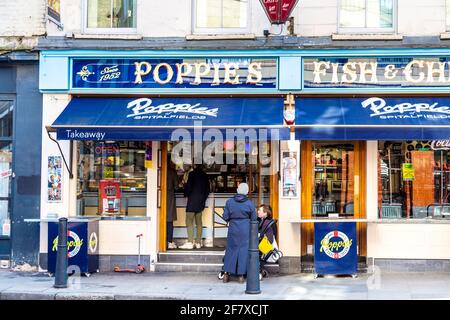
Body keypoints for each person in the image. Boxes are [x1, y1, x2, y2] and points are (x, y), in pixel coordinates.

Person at [222, 183, 257, 283]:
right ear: (247, 191)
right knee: (243, 251)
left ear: (237, 190)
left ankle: (226, 274)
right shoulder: (249, 204)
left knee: (231, 249)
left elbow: (225, 217)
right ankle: (241, 276)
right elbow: (254, 219)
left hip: (233, 227)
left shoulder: (229, 202)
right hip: (245, 228)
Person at [179, 164, 210, 249]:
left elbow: (188, 187)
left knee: (189, 221)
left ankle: (190, 242)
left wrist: (185, 193)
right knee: (199, 222)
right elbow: (208, 190)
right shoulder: (205, 175)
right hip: (201, 202)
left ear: (195, 165)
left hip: (192, 201)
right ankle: (198, 243)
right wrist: (203, 199)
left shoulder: (192, 174)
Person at [166, 160, 179, 249]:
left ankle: (162, 240)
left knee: (161, 220)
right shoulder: (172, 172)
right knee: (169, 221)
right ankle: (169, 241)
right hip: (170, 198)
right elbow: (176, 186)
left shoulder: (161, 171)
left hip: (160, 198)